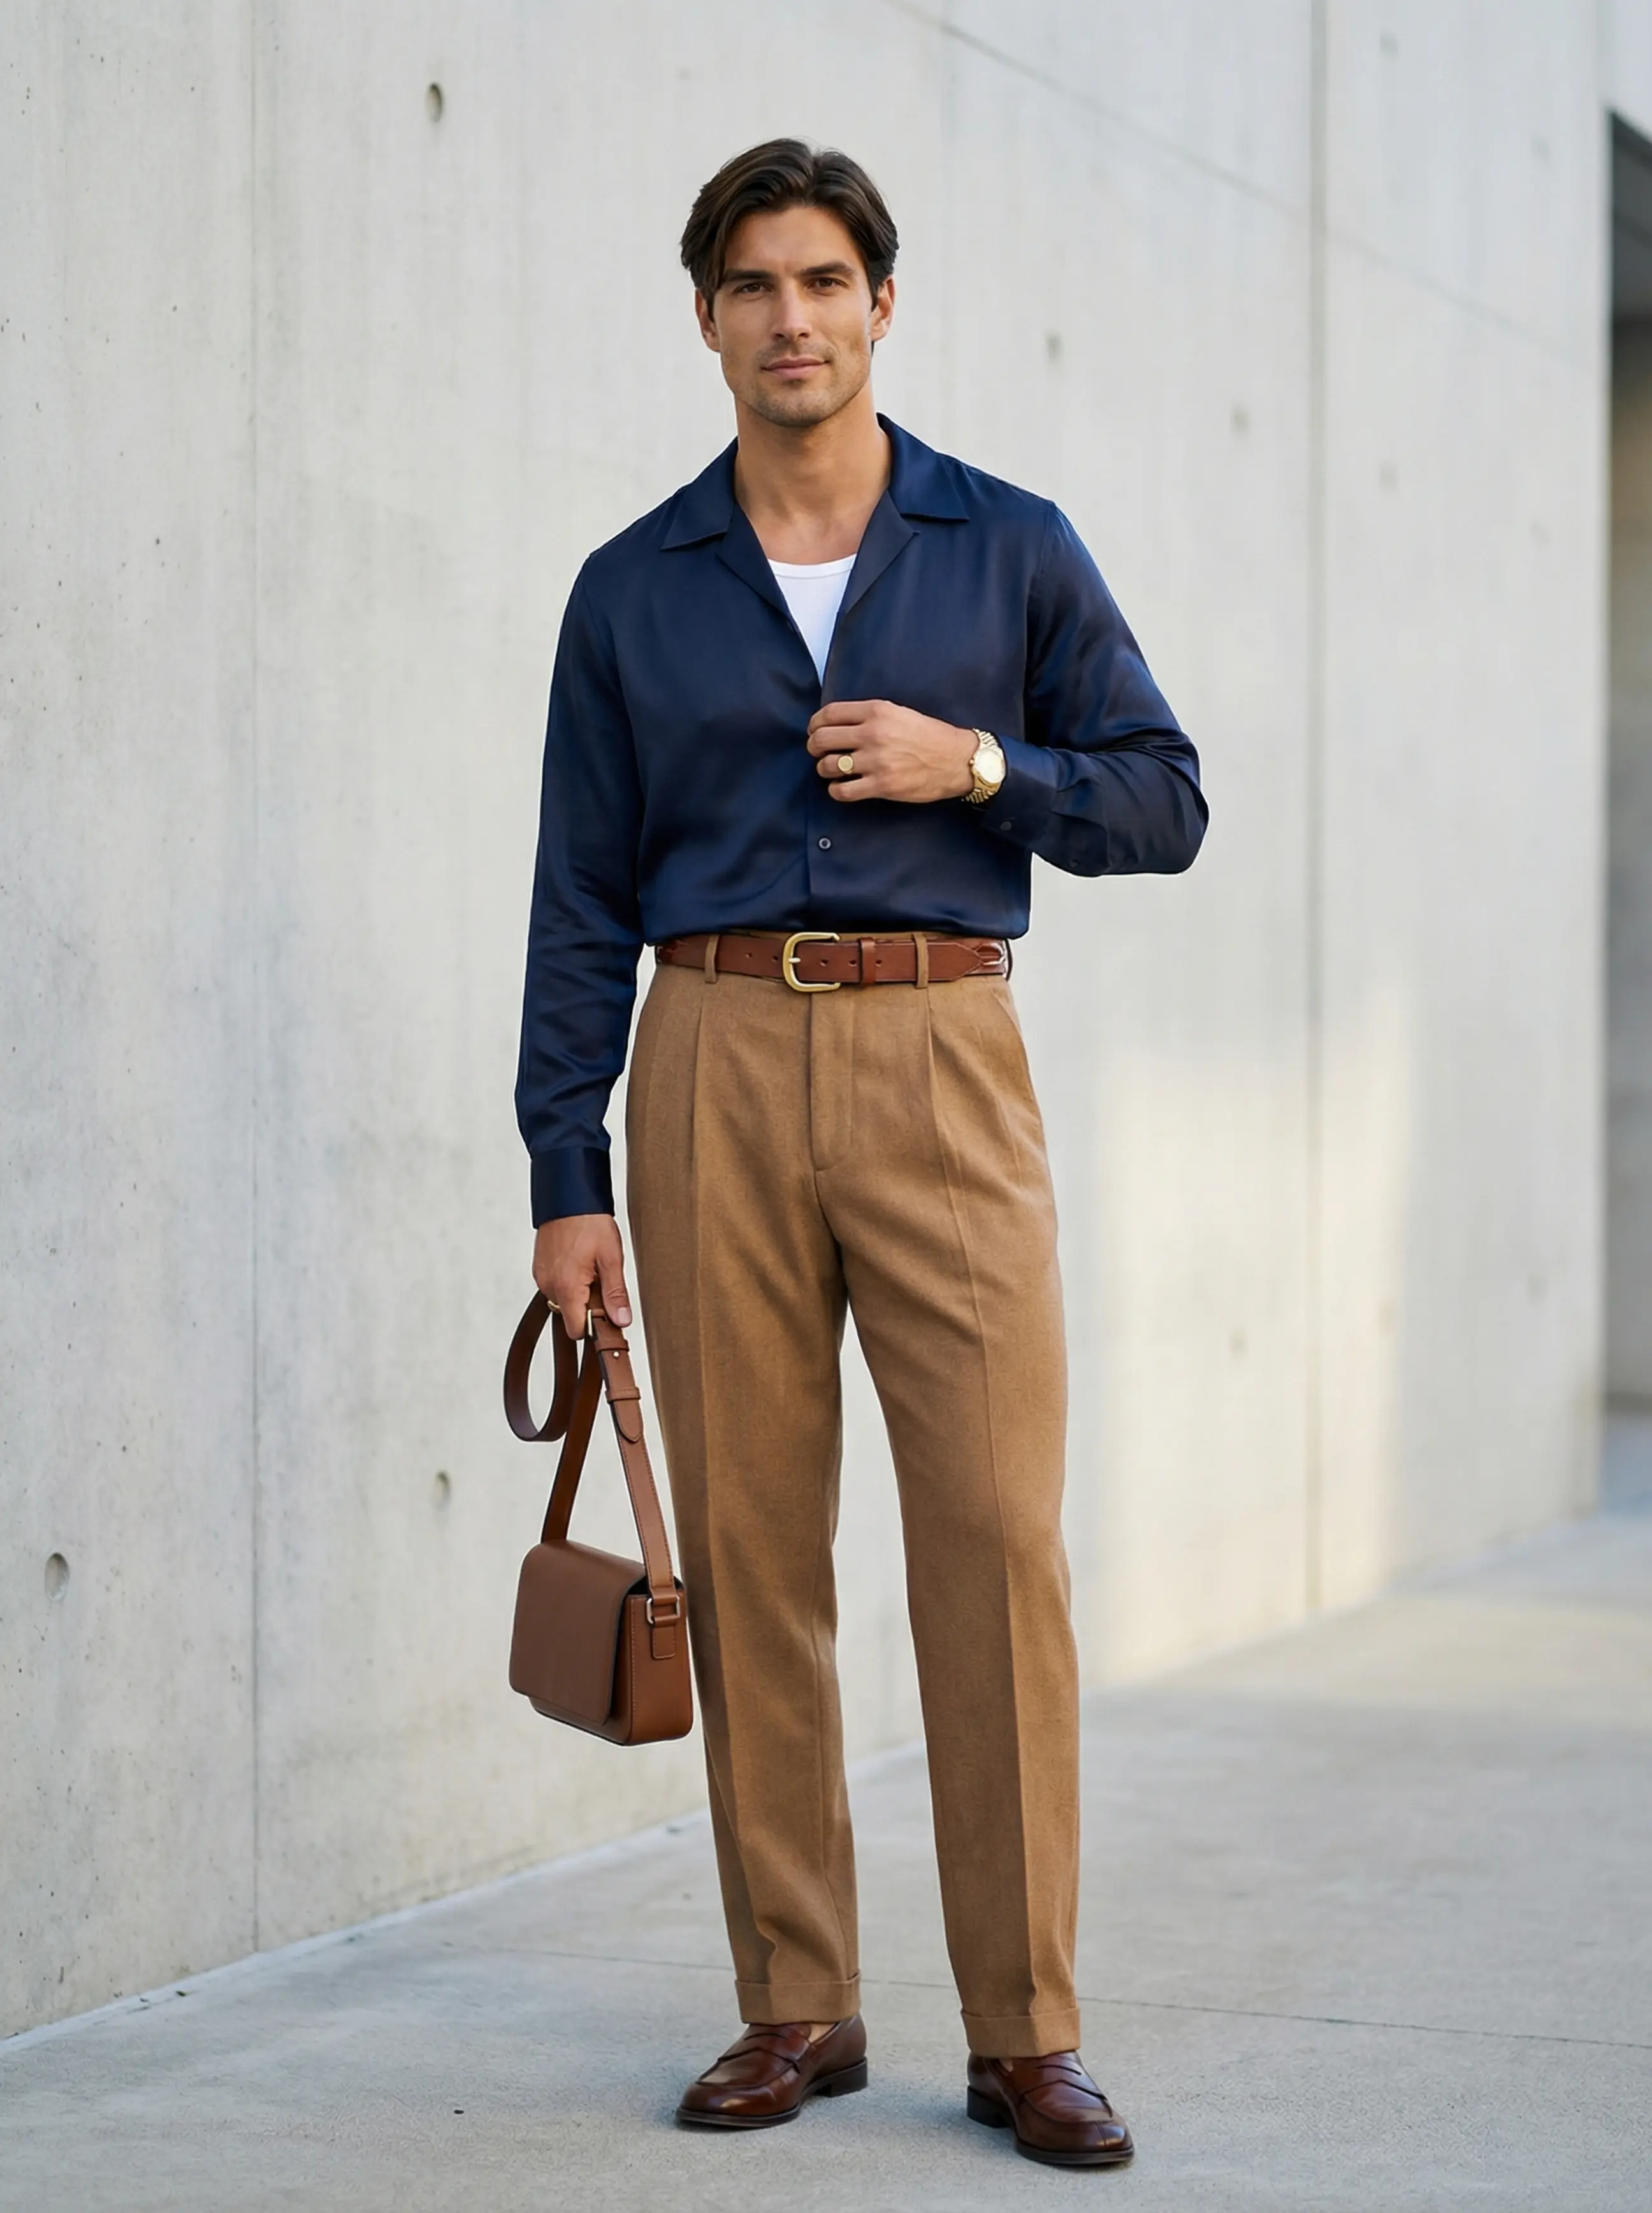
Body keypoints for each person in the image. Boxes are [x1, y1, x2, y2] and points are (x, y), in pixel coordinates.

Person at [517, 138, 1205, 2170]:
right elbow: (573, 896)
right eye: (751, 285)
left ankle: (1026, 2031)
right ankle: (793, 2002)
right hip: (708, 1055)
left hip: (939, 1049)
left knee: (994, 1541)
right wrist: (567, 1172)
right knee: (746, 1552)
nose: (790, 318)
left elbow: (1164, 801)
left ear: (882, 304)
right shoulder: (633, 588)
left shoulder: (1010, 547)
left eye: (825, 280)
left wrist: (976, 765)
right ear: (709, 317)